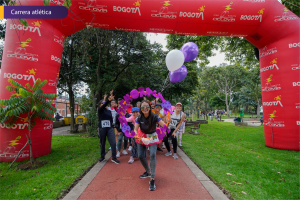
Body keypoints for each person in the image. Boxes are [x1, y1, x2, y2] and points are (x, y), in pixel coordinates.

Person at [134, 100, 166, 191]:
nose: (145, 108)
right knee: (140, 155)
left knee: (152, 154)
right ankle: (148, 171)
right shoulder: (139, 117)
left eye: (147, 106)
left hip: (152, 136)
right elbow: (135, 129)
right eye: (143, 107)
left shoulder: (155, 116)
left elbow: (163, 125)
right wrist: (136, 134)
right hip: (141, 136)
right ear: (141, 109)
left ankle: (152, 178)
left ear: (150, 107)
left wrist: (164, 128)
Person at [97, 90, 119, 164]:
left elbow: (111, 119)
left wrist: (113, 126)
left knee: (113, 142)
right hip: (102, 128)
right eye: (102, 103)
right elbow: (103, 105)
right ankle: (102, 157)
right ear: (100, 105)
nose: (104, 104)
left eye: (104, 103)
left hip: (109, 128)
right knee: (102, 143)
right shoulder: (100, 110)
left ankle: (114, 157)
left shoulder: (109, 111)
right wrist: (107, 100)